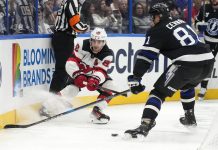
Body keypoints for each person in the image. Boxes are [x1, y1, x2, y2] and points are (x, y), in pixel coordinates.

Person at [125, 3, 215, 139]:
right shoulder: (180, 21)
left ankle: (145, 125)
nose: (151, 20)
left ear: (160, 16)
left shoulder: (157, 30)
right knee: (187, 85)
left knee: (158, 93)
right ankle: (190, 117)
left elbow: (146, 57)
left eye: (153, 16)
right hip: (208, 61)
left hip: (187, 63)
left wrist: (136, 77)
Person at [41, 27, 114, 124]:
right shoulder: (82, 44)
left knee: (110, 87)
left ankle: (97, 111)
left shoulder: (107, 54)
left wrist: (94, 80)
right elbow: (71, 62)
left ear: (104, 42)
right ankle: (48, 107)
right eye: (94, 41)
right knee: (72, 89)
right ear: (90, 40)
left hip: (94, 75)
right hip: (80, 72)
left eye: (99, 42)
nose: (96, 45)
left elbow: (102, 71)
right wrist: (78, 75)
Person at [49, 0, 88, 94]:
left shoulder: (74, 2)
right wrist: (84, 27)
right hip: (64, 38)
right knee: (62, 70)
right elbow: (75, 23)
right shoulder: (72, 1)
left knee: (65, 70)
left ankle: (57, 99)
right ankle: (49, 102)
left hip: (65, 38)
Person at [195, 0, 218, 100]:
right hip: (207, 40)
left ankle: (203, 88)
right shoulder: (205, 8)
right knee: (207, 63)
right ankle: (203, 88)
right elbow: (197, 21)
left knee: (208, 63)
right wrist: (200, 25)